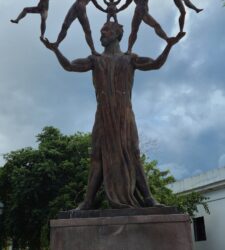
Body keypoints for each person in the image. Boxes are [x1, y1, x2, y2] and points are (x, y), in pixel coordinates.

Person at [40, 21, 185, 210]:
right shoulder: (95, 59)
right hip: (103, 114)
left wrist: (168, 46)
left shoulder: (130, 58)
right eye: (101, 31)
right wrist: (56, 50)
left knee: (133, 153)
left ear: (117, 34)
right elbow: (69, 66)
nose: (101, 34)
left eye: (105, 30)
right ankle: (88, 202)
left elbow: (156, 64)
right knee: (97, 155)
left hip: (124, 113)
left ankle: (149, 198)